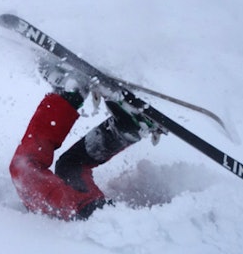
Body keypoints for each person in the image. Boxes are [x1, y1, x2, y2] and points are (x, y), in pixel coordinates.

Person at [9, 59, 162, 220]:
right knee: (23, 169)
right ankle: (70, 92)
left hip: (91, 211)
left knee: (70, 165)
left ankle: (128, 127)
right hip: (80, 213)